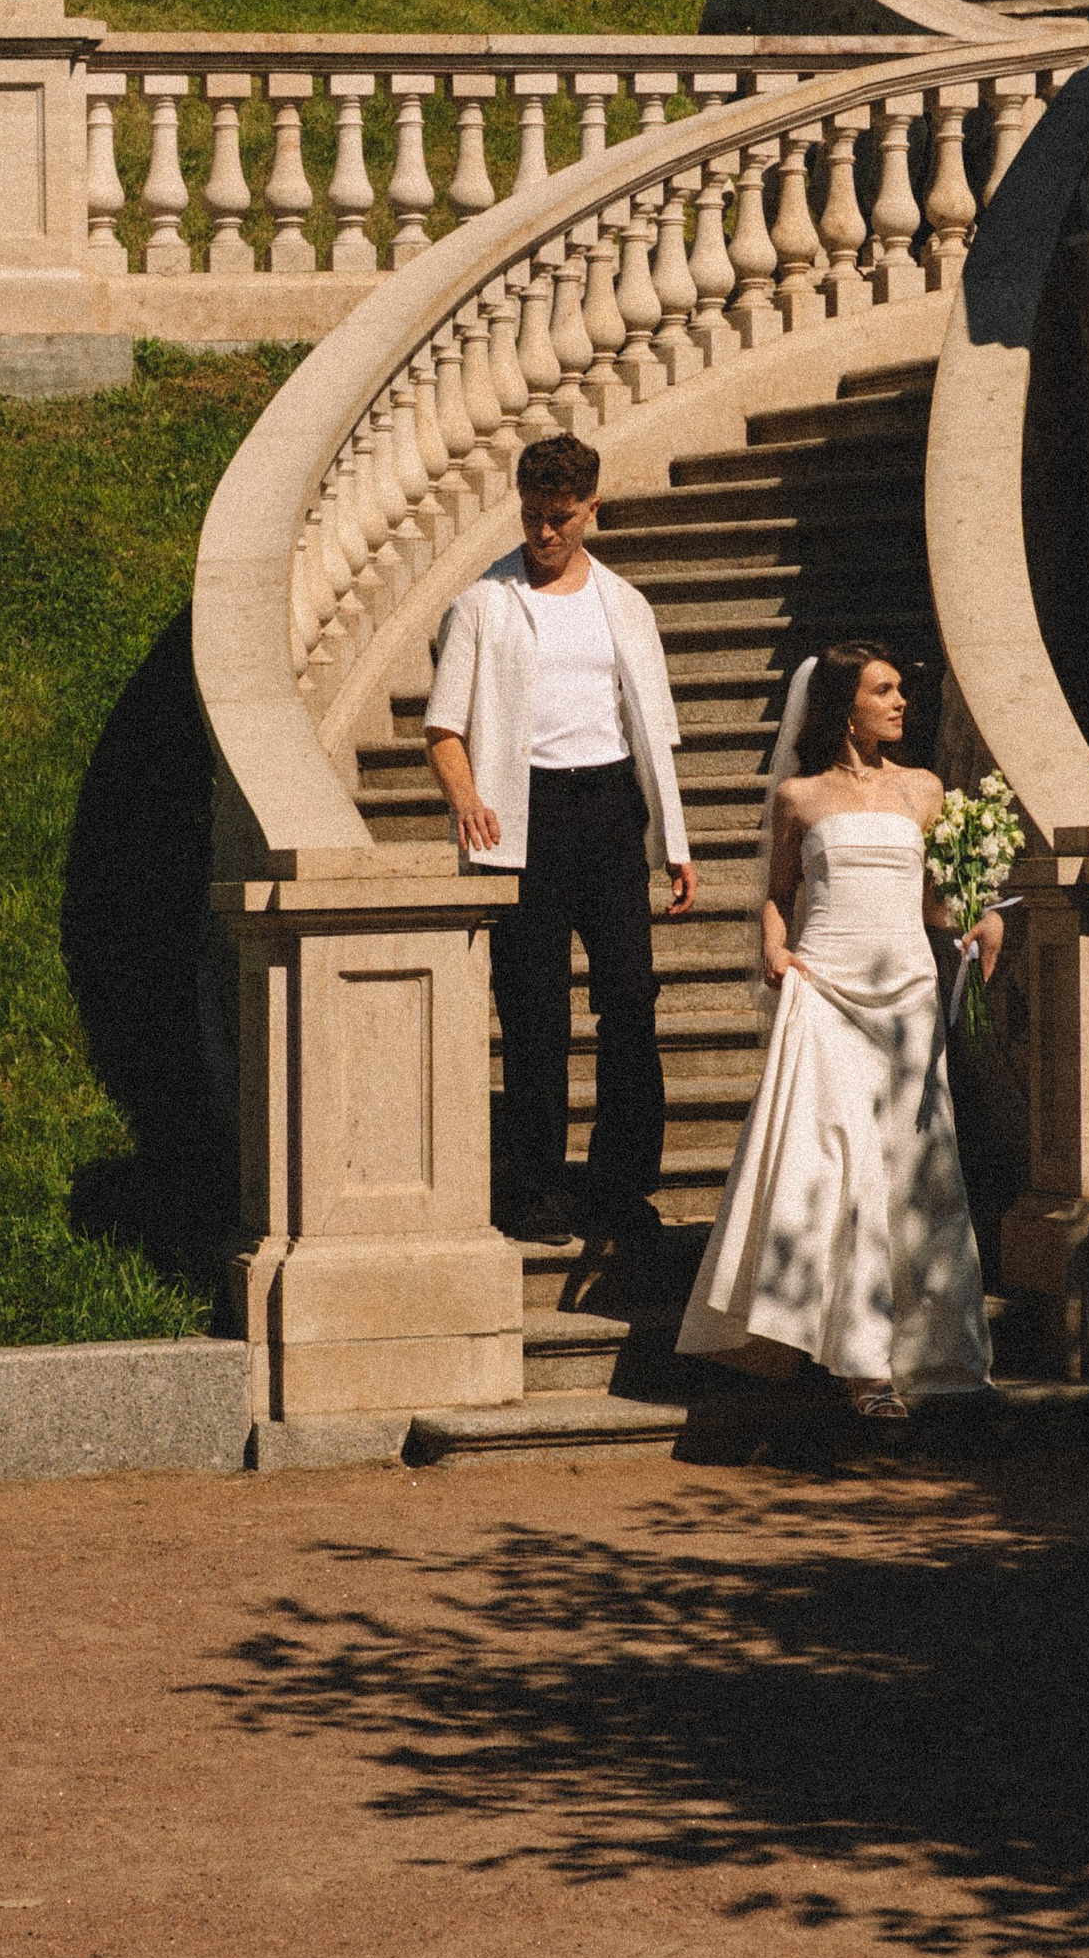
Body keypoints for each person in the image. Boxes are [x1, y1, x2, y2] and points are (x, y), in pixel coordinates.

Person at [678, 639, 997, 1419]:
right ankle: (862, 1368)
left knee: (917, 1172)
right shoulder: (800, 797)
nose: (900, 702)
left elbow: (936, 904)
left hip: (907, 999)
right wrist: (774, 948)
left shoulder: (923, 790)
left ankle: (932, 1355)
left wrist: (979, 916)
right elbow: (778, 894)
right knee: (842, 1170)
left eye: (899, 689)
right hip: (824, 993)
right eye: (882, 691)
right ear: (843, 707)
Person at [423, 432, 697, 1242]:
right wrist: (467, 798)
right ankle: (537, 1189)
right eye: (532, 517)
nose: (544, 533)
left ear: (591, 510)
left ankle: (621, 1188)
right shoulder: (483, 603)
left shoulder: (625, 604)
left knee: (630, 1000)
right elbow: (443, 728)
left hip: (611, 808)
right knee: (534, 1009)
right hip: (526, 816)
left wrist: (675, 843)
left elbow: (653, 735)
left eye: (560, 518)